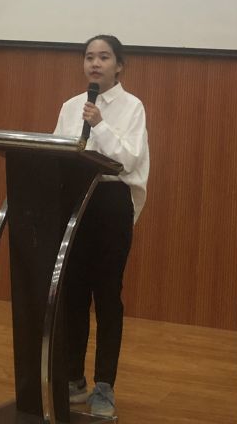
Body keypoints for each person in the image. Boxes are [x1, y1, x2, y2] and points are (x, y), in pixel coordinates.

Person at [53, 34, 149, 417]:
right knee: (72, 292)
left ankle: (104, 386)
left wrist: (101, 124)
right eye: (89, 57)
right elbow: (59, 154)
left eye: (104, 57)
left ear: (119, 65)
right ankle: (73, 378)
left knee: (107, 295)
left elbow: (128, 160)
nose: (95, 63)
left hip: (110, 203)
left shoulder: (132, 107)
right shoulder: (70, 106)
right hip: (74, 201)